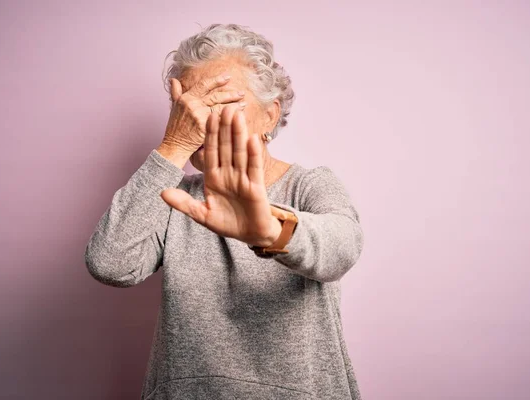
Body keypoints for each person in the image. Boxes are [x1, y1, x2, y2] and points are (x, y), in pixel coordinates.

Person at [85, 23, 365, 400]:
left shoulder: (309, 185)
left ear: (269, 116)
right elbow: (110, 263)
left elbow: (341, 247)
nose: (201, 121)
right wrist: (174, 145)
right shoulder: (174, 197)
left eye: (219, 103)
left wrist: (269, 230)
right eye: (188, 108)